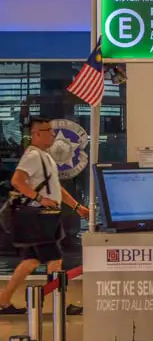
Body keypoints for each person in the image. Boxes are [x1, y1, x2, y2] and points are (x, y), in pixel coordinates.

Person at [0, 117, 89, 314]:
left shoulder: (45, 157)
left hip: (46, 217)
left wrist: (77, 207)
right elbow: (17, 181)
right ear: (36, 134)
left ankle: (3, 301)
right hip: (39, 217)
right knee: (54, 261)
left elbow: (56, 189)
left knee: (31, 261)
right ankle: (60, 305)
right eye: (48, 131)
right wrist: (40, 199)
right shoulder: (32, 156)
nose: (53, 134)